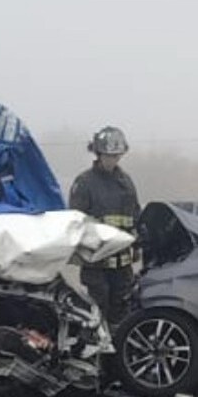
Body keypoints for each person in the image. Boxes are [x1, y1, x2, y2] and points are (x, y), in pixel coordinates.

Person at [68, 125, 140, 326]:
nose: (113, 160)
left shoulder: (126, 182)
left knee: (123, 314)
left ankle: (118, 355)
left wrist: (138, 244)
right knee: (96, 313)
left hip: (122, 265)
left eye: (117, 155)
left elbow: (135, 216)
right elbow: (76, 221)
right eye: (108, 155)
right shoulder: (84, 183)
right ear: (98, 154)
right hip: (96, 264)